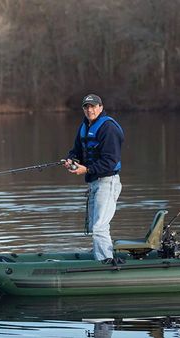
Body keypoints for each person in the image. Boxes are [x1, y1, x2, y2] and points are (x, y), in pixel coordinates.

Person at [63, 94, 124, 261]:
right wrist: (72, 160)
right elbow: (76, 150)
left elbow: (111, 161)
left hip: (107, 182)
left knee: (99, 227)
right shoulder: (84, 126)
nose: (90, 110)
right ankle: (101, 255)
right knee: (94, 226)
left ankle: (106, 262)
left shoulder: (108, 128)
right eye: (86, 107)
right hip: (94, 183)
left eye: (93, 106)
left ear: (101, 107)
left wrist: (86, 169)